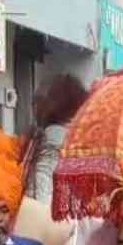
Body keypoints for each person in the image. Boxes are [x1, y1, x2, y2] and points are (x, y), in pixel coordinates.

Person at [19, 74, 89, 205]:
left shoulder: (52, 138)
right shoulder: (80, 139)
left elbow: (39, 195)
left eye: (38, 100)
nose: (34, 106)